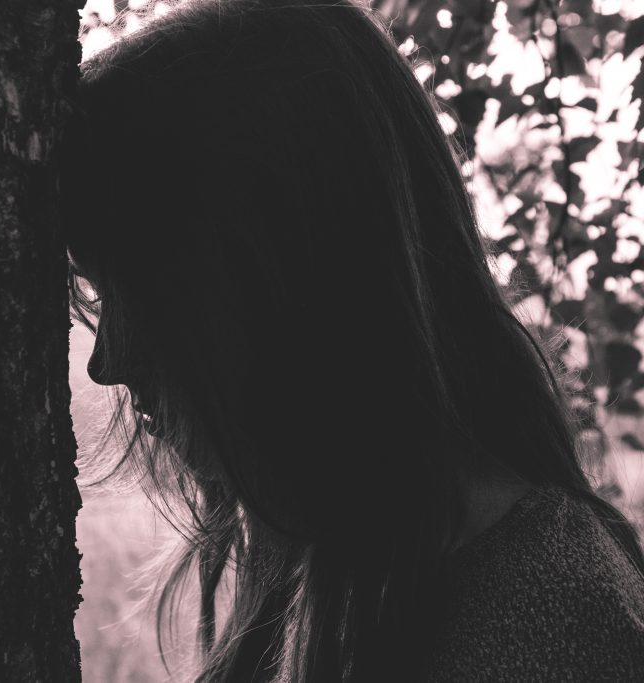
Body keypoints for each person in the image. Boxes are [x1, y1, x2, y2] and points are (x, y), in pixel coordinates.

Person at [57, 0, 644, 680]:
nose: (110, 362)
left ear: (292, 282)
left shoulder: (550, 628)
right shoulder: (343, 574)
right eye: (103, 296)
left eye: (152, 296)